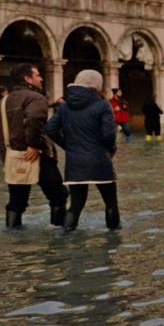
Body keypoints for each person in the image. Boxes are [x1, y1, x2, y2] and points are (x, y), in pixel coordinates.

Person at [45, 69, 120, 231]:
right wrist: (108, 150)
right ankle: (114, 238)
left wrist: (68, 146)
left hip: (75, 162)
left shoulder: (64, 107)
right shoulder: (102, 105)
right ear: (96, 86)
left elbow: (50, 129)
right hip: (99, 160)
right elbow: (109, 135)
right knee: (110, 203)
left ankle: (66, 234)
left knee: (76, 205)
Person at [2, 63, 68, 229]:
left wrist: (6, 154)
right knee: (58, 195)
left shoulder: (3, 101)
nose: (41, 78)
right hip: (39, 155)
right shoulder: (36, 98)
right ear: (27, 79)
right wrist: (33, 145)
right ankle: (58, 231)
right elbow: (34, 119)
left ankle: (12, 233)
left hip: (14, 156)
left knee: (16, 202)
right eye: (37, 75)